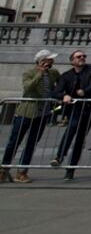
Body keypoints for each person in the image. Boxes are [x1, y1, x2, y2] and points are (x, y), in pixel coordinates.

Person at [1, 50, 61, 183]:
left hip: (42, 113)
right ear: (42, 61)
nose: (52, 61)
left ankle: (22, 171)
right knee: (14, 141)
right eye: (50, 59)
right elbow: (27, 88)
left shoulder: (54, 73)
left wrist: (58, 95)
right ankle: (3, 169)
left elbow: (60, 85)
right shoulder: (29, 73)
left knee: (31, 143)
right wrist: (39, 74)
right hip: (26, 112)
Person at [51, 50, 91, 181]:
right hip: (75, 108)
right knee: (71, 128)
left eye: (84, 56)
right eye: (79, 57)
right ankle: (59, 156)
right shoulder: (67, 75)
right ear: (72, 61)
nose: (82, 58)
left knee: (80, 139)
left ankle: (70, 170)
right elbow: (56, 92)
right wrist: (64, 95)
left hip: (89, 108)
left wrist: (84, 91)